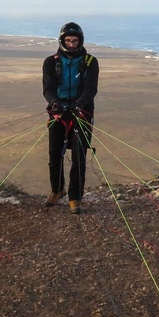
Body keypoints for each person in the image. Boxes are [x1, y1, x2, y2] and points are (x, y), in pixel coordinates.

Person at [42, 22, 99, 214]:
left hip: (81, 112)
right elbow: (48, 88)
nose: (72, 44)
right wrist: (55, 102)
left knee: (79, 156)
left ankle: (75, 198)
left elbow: (91, 88)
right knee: (54, 154)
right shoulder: (51, 62)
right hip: (58, 111)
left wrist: (80, 103)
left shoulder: (90, 62)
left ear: (80, 41)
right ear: (62, 40)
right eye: (68, 40)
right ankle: (57, 190)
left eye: (75, 41)